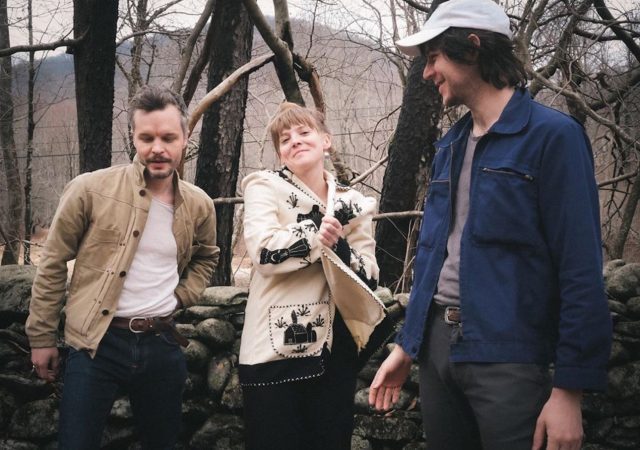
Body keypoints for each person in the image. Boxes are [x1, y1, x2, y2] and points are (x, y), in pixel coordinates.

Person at [369, 1, 612, 449]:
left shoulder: (553, 137)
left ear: (473, 47)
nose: (427, 73)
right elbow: (433, 254)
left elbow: (579, 268)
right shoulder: (450, 145)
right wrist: (407, 345)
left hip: (510, 357)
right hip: (438, 353)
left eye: (434, 57)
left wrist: (569, 390)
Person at [26, 85, 220, 449]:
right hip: (95, 346)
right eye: (146, 138)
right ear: (133, 136)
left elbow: (207, 256)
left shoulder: (199, 205)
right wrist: (41, 338)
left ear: (185, 138)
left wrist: (181, 297)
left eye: (168, 138)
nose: (157, 148)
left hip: (162, 343)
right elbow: (52, 262)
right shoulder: (90, 190)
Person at [239, 102, 389, 450]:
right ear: (280, 153)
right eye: (285, 139)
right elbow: (263, 252)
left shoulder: (354, 202)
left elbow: (370, 275)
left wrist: (340, 247)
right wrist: (315, 236)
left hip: (335, 349)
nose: (295, 140)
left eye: (304, 132)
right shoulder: (263, 186)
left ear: (326, 141)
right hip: (272, 350)